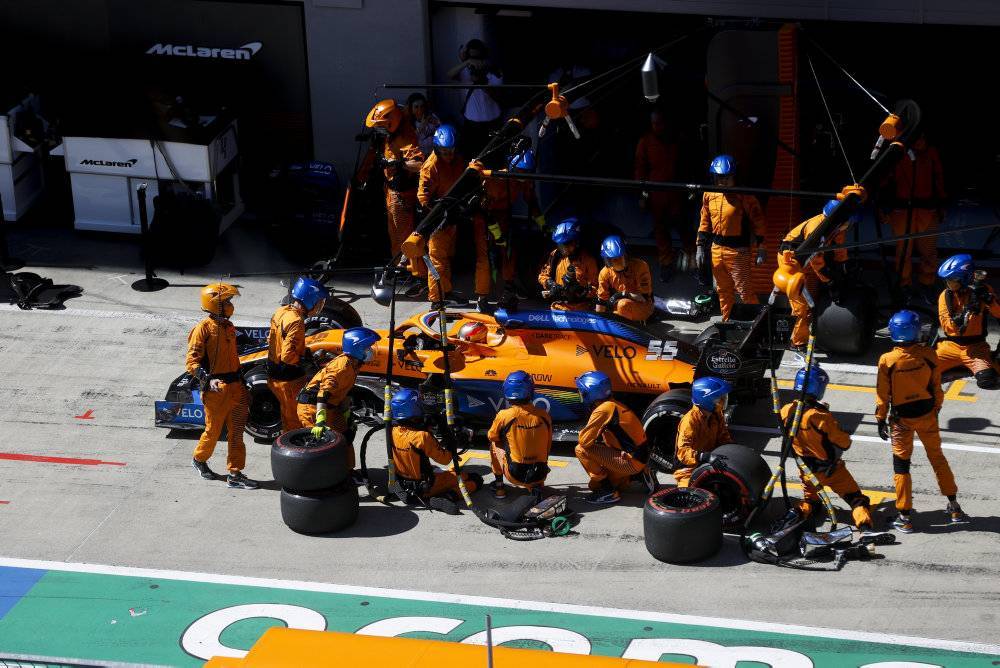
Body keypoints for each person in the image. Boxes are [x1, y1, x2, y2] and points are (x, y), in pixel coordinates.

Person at [876, 310, 965, 533]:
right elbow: (937, 387)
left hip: (901, 421)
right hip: (927, 416)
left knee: (901, 466)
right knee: (937, 458)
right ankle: (954, 507)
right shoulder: (929, 355)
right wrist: (936, 410)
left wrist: (880, 418)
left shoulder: (887, 360)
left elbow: (882, 394)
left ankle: (905, 517)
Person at [780, 365, 875, 531]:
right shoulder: (820, 416)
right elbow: (844, 443)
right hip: (831, 471)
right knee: (857, 500)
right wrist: (824, 412)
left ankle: (794, 516)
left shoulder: (785, 411)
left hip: (807, 471)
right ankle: (865, 528)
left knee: (811, 501)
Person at [188, 283, 258, 489]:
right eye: (227, 301)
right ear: (215, 304)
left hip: (236, 387)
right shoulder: (202, 329)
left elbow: (234, 359)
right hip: (216, 391)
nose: (230, 305)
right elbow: (192, 362)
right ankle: (199, 459)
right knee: (213, 431)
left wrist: (243, 383)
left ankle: (235, 474)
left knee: (237, 433)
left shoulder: (229, 327)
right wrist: (208, 379)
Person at [297, 327, 381, 475]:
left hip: (331, 406)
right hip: (313, 408)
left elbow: (345, 392)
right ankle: (325, 477)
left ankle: (348, 472)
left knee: (346, 435)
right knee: (322, 446)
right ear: (357, 348)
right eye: (367, 347)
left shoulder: (354, 364)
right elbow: (323, 394)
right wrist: (320, 422)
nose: (371, 350)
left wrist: (347, 415)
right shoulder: (341, 368)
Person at [775, 199, 854, 354]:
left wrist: (843, 265)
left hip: (804, 260)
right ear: (836, 220)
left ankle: (803, 334)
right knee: (801, 306)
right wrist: (830, 281)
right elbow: (817, 262)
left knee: (808, 300)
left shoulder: (833, 226)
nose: (848, 225)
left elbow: (840, 247)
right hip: (790, 263)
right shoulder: (816, 231)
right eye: (846, 222)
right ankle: (797, 343)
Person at [365, 99, 426, 294]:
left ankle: (419, 276)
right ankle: (401, 268)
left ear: (392, 122)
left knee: (406, 237)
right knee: (395, 236)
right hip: (391, 192)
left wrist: (399, 164)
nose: (380, 130)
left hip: (402, 195)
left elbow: (420, 164)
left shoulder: (406, 137)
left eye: (382, 126)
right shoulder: (392, 135)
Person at [474, 147, 545, 312]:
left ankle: (508, 287)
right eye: (520, 172)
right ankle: (482, 298)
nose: (523, 176)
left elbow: (531, 201)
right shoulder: (495, 179)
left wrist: (543, 224)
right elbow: (484, 209)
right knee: (485, 257)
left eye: (526, 173)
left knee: (509, 252)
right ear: (513, 167)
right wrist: (496, 234)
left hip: (504, 216)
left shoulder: (525, 179)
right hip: (484, 219)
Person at [696, 154, 767, 321]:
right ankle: (727, 320)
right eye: (719, 178)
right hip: (716, 250)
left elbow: (758, 221)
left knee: (745, 291)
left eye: (727, 178)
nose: (723, 181)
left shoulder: (745, 196)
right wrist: (700, 246)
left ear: (734, 176)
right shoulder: (709, 194)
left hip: (738, 252)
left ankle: (758, 324)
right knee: (723, 290)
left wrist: (761, 247)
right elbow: (704, 221)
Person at [390, 388, 482, 511]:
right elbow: (445, 459)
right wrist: (451, 441)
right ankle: (447, 496)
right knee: (474, 479)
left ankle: (416, 493)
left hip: (403, 483)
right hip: (426, 486)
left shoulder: (391, 431)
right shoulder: (422, 436)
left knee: (443, 471)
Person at [573, 371, 657, 504]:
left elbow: (584, 441)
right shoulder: (614, 404)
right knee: (596, 486)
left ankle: (608, 492)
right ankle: (639, 475)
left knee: (580, 449)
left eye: (582, 391)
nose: (581, 394)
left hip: (630, 461)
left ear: (590, 393)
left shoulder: (603, 410)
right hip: (638, 457)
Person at [880, 134, 946, 298]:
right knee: (903, 252)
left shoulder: (932, 153)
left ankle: (927, 283)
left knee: (928, 252)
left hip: (927, 210)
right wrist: (883, 208)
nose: (918, 140)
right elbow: (883, 181)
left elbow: (940, 179)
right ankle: (904, 285)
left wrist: (942, 204)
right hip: (901, 211)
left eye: (921, 136)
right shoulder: (896, 151)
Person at [267, 277, 329, 434]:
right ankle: (293, 445)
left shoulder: (281, 311)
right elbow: (288, 356)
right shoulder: (296, 321)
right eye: (318, 302)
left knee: (287, 416)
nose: (319, 306)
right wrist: (305, 362)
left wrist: (304, 351)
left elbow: (272, 340)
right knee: (294, 420)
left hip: (275, 375)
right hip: (288, 380)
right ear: (310, 300)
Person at [635, 110, 688, 282]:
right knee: (661, 231)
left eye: (660, 123)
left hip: (677, 193)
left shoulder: (677, 140)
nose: (658, 127)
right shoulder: (645, 142)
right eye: (655, 124)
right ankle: (666, 263)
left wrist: (690, 191)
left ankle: (694, 261)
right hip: (656, 195)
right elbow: (640, 170)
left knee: (685, 229)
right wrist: (643, 195)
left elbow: (687, 165)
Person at [417, 124, 467, 306]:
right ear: (438, 149)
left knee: (446, 257)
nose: (449, 156)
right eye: (445, 152)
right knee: (437, 259)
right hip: (438, 220)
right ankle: (437, 300)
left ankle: (446, 291)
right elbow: (423, 197)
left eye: (451, 151)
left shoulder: (457, 161)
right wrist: (437, 214)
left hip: (451, 216)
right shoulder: (431, 166)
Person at [935, 254, 1000, 388]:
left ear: (964, 278)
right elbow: (947, 327)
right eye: (947, 280)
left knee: (987, 380)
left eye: (952, 280)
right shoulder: (944, 296)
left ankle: (965, 366)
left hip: (976, 347)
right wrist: (966, 313)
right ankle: (963, 366)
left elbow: (998, 313)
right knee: (924, 369)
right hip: (950, 346)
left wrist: (991, 302)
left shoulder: (983, 290)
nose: (948, 283)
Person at [487, 371, 553, 499]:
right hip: (540, 473)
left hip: (515, 475)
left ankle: (499, 488)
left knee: (493, 444)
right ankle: (536, 486)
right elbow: (548, 443)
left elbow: (492, 436)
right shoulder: (544, 415)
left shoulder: (504, 415)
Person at [672, 377, 733, 487]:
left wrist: (735, 450)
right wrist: (704, 457)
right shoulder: (689, 421)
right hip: (689, 470)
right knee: (693, 495)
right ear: (706, 399)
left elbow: (724, 438)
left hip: (709, 463)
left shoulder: (717, 415)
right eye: (719, 398)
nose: (723, 401)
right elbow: (683, 453)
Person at [447, 39, 503, 155]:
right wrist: (466, 63)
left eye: (478, 58)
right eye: (472, 57)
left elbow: (498, 96)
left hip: (492, 123)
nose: (476, 61)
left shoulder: (494, 72)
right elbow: (449, 75)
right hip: (472, 124)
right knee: (471, 157)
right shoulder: (465, 72)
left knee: (493, 156)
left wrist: (482, 81)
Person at [537, 218, 598, 311]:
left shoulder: (588, 260)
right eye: (561, 245)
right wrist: (551, 284)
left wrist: (581, 290)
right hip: (558, 307)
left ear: (576, 242)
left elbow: (597, 288)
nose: (564, 249)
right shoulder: (555, 255)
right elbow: (542, 276)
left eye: (567, 244)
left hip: (581, 309)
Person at [596, 235, 654, 322]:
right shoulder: (604, 273)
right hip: (617, 305)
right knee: (601, 315)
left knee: (623, 305)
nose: (616, 262)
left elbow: (643, 297)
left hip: (642, 305)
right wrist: (599, 321)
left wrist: (622, 294)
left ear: (626, 256)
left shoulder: (640, 266)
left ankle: (634, 326)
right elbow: (601, 300)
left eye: (619, 258)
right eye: (612, 259)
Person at [405, 92, 442, 158]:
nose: (420, 110)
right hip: (417, 156)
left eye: (422, 106)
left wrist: (436, 124)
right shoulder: (408, 122)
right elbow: (409, 141)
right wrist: (422, 126)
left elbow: (442, 133)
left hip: (433, 154)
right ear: (411, 109)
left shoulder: (432, 117)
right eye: (416, 107)